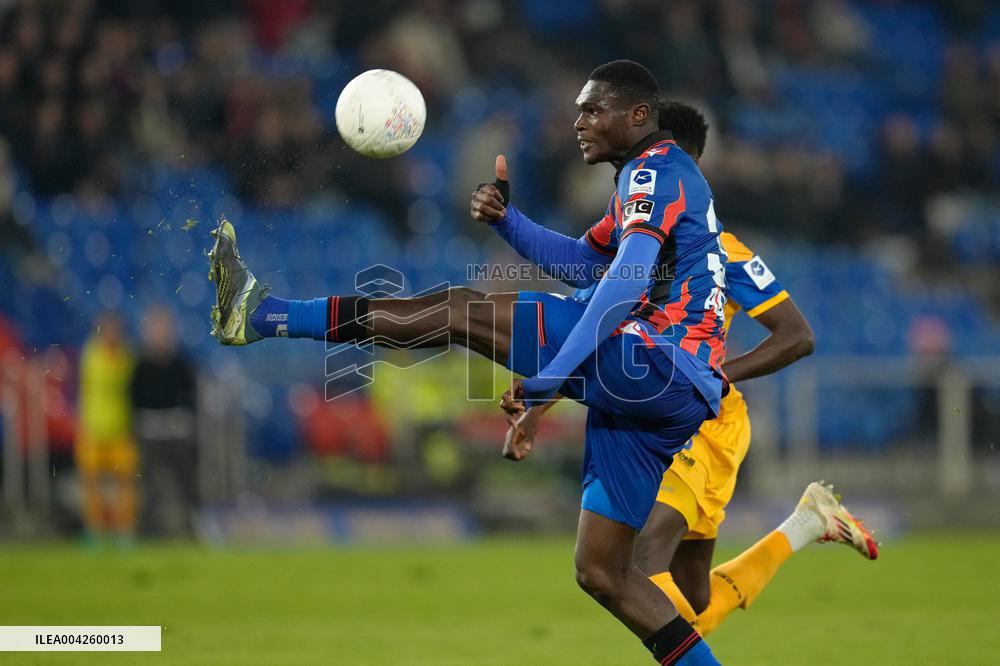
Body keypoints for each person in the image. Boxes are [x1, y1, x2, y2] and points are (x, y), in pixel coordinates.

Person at [210, 60, 723, 664]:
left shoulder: (655, 172)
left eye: (592, 109)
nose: (578, 121)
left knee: (458, 312)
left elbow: (623, 282)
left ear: (638, 116)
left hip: (657, 360)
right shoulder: (647, 179)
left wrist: (551, 380)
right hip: (671, 389)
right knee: (603, 572)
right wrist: (509, 222)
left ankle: (263, 314)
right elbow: (587, 267)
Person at [503, 100, 878, 637]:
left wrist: (722, 374)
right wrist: (540, 407)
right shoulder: (631, 242)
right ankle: (807, 523)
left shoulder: (720, 249)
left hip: (703, 422)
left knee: (642, 562)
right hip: (661, 405)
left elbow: (798, 335)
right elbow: (599, 334)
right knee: (693, 600)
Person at [130, 305, 199, 538]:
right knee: (149, 487)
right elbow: (133, 399)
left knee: (186, 485)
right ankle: (147, 530)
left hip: (177, 432)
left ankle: (190, 529)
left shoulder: (181, 364)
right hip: (150, 432)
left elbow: (191, 398)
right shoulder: (140, 366)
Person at [75, 311, 137, 543]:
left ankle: (123, 530)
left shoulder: (127, 356)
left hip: (121, 428)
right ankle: (95, 530)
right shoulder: (92, 355)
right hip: (93, 428)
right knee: (92, 483)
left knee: (125, 483)